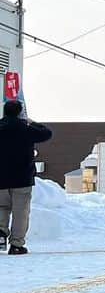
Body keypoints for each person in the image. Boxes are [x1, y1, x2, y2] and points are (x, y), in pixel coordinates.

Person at [0, 99, 53, 255]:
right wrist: (32, 122)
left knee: (1, 207)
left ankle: (1, 232)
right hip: (22, 179)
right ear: (19, 112)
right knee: (20, 212)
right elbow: (47, 133)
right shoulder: (26, 129)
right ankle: (16, 245)